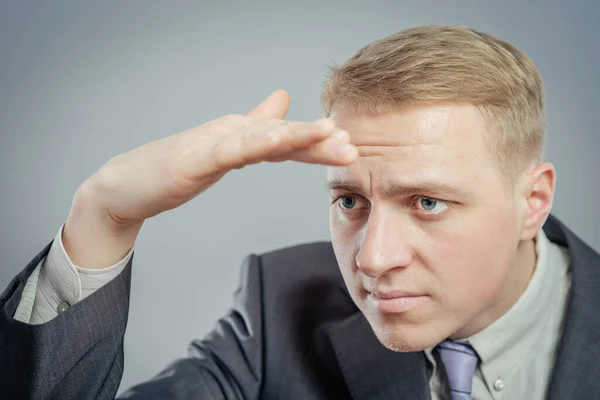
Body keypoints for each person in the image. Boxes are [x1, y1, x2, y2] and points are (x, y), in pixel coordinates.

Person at [1, 24, 597, 400]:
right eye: (349, 201)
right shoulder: (279, 308)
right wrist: (102, 216)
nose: (373, 257)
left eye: (428, 202)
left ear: (532, 203)